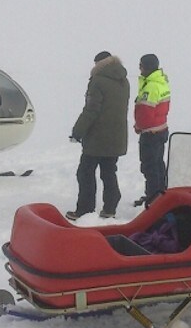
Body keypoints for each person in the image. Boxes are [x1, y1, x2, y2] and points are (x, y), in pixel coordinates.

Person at [67, 51, 130, 220]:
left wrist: (77, 132)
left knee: (85, 172)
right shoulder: (124, 81)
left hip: (97, 138)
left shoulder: (98, 82)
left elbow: (91, 110)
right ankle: (110, 207)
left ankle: (85, 210)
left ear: (100, 64)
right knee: (109, 172)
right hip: (117, 136)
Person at [133, 53, 171, 207]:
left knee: (149, 167)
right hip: (161, 129)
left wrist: (139, 126)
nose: (139, 68)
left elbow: (145, 113)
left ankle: (153, 198)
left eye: (141, 65)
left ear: (146, 67)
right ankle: (161, 194)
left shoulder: (151, 86)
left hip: (151, 132)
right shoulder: (161, 82)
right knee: (158, 164)